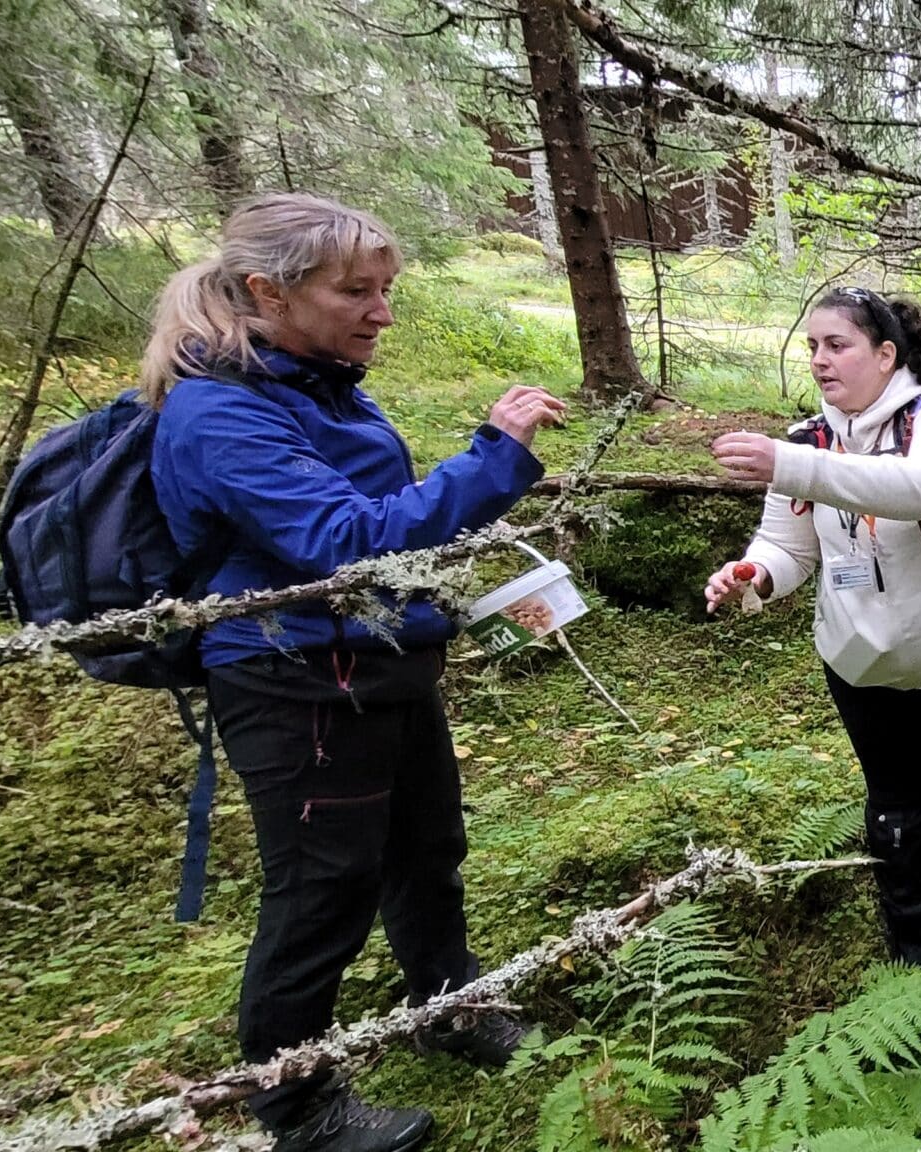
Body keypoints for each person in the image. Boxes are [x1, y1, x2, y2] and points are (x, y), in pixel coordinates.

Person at [146, 194, 564, 1152]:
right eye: (355, 292)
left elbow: (374, 530)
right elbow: (345, 541)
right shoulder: (220, 410)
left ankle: (446, 1004)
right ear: (268, 291)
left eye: (386, 290)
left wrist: (455, 600)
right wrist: (495, 456)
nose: (381, 312)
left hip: (379, 663)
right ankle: (297, 1105)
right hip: (294, 683)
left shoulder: (320, 379)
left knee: (426, 849)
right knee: (321, 890)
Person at [706, 288, 921, 967]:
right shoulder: (806, 442)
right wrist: (753, 575)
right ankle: (909, 932)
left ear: (886, 356)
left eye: (837, 345)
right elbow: (788, 546)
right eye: (812, 347)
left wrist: (795, 465)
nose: (820, 361)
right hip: (863, 666)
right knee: (896, 803)